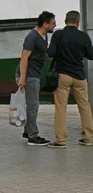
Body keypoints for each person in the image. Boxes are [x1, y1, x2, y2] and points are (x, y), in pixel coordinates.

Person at [47, 10, 93, 148]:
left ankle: (60, 141)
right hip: (80, 77)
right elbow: (91, 55)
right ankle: (88, 138)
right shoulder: (83, 36)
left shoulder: (58, 34)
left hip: (63, 76)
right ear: (77, 22)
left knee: (61, 109)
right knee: (85, 107)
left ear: (65, 21)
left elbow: (50, 52)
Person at [16, 11, 56, 146]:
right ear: (45, 24)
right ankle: (33, 136)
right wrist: (22, 77)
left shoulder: (43, 36)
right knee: (33, 105)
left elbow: (43, 52)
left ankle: (28, 131)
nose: (54, 26)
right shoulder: (32, 37)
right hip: (29, 75)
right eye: (52, 23)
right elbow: (24, 57)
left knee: (31, 105)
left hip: (33, 74)